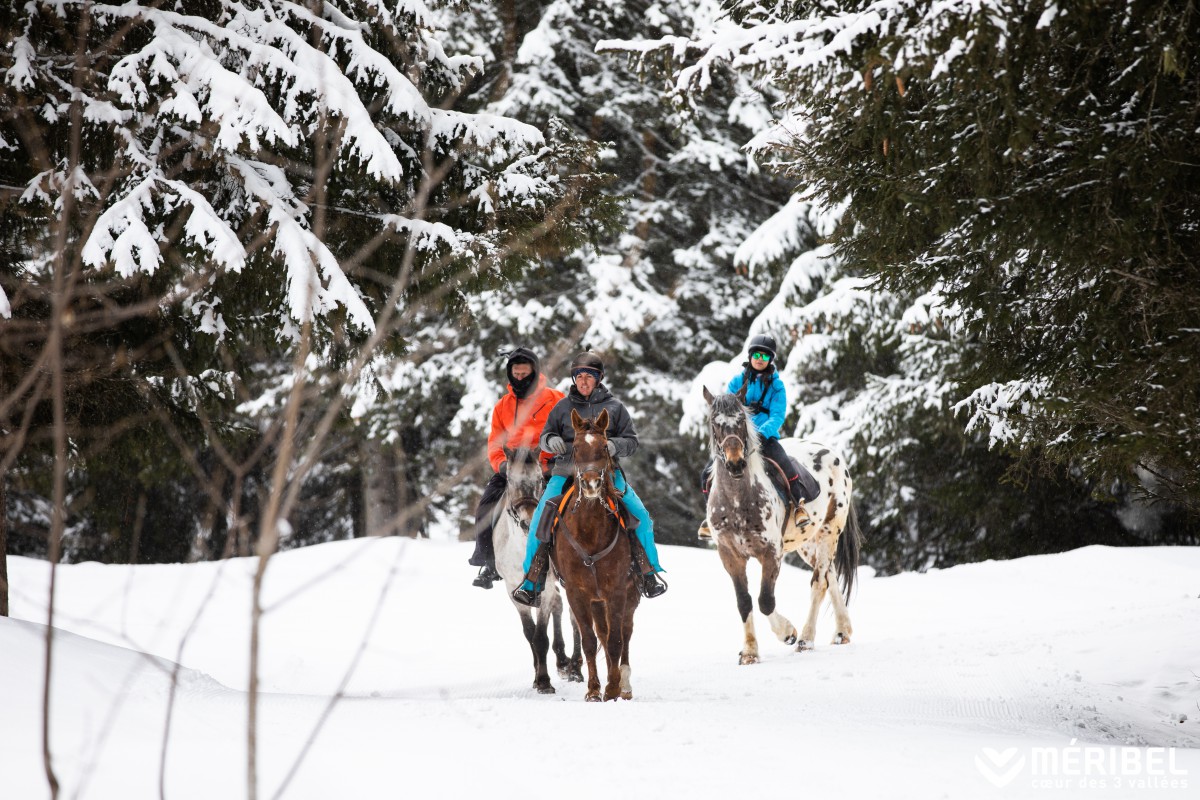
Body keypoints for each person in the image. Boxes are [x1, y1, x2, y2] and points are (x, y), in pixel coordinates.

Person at [510, 351, 667, 607]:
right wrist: (552, 441)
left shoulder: (615, 408)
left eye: (589, 377)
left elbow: (632, 441)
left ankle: (648, 573)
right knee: (540, 517)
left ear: (598, 379)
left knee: (641, 515)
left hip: (605, 474)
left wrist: (615, 446)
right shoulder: (562, 407)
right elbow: (545, 436)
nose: (583, 381)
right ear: (574, 379)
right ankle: (532, 582)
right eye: (579, 376)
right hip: (566, 473)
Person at [468, 347, 564, 589]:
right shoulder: (502, 406)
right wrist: (501, 465)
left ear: (534, 372)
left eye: (525, 373)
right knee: (485, 507)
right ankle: (489, 562)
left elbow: (568, 432)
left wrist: (555, 459)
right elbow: (495, 443)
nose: (520, 378)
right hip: (513, 468)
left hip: (549, 466)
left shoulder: (555, 398)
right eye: (516, 373)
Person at [699, 334, 814, 537]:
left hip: (765, 438)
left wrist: (761, 433)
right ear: (751, 356)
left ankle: (799, 506)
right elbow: (727, 411)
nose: (760, 358)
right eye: (757, 354)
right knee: (707, 473)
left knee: (785, 464)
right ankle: (710, 516)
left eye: (765, 355)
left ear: (770, 360)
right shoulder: (736, 382)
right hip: (737, 439)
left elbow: (778, 415)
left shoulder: (777, 386)